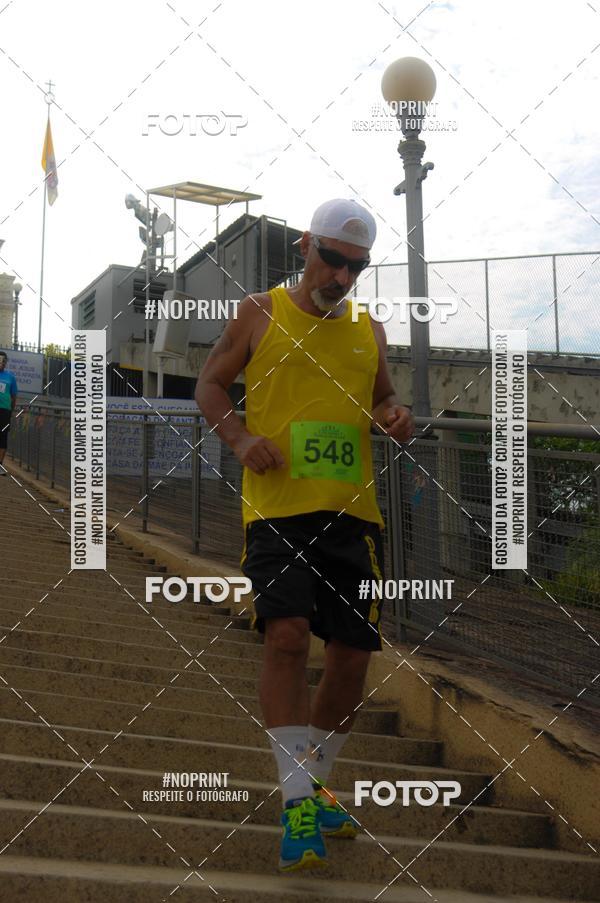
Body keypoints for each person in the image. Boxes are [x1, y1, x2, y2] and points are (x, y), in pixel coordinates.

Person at [195, 198, 414, 872]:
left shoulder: (369, 330)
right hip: (276, 510)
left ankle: (317, 781)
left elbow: (381, 397)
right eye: (333, 259)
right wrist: (239, 436)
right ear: (303, 247)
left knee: (351, 655)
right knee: (288, 637)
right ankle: (297, 800)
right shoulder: (259, 312)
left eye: (357, 266)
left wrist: (392, 416)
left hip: (354, 516)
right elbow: (210, 384)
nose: (343, 277)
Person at [0, 351, 18, 475]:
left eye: (3, 361)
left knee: (3, 437)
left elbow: (14, 396)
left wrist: (11, 410)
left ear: (6, 363)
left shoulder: (10, 377)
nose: (1, 363)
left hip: (5, 411)